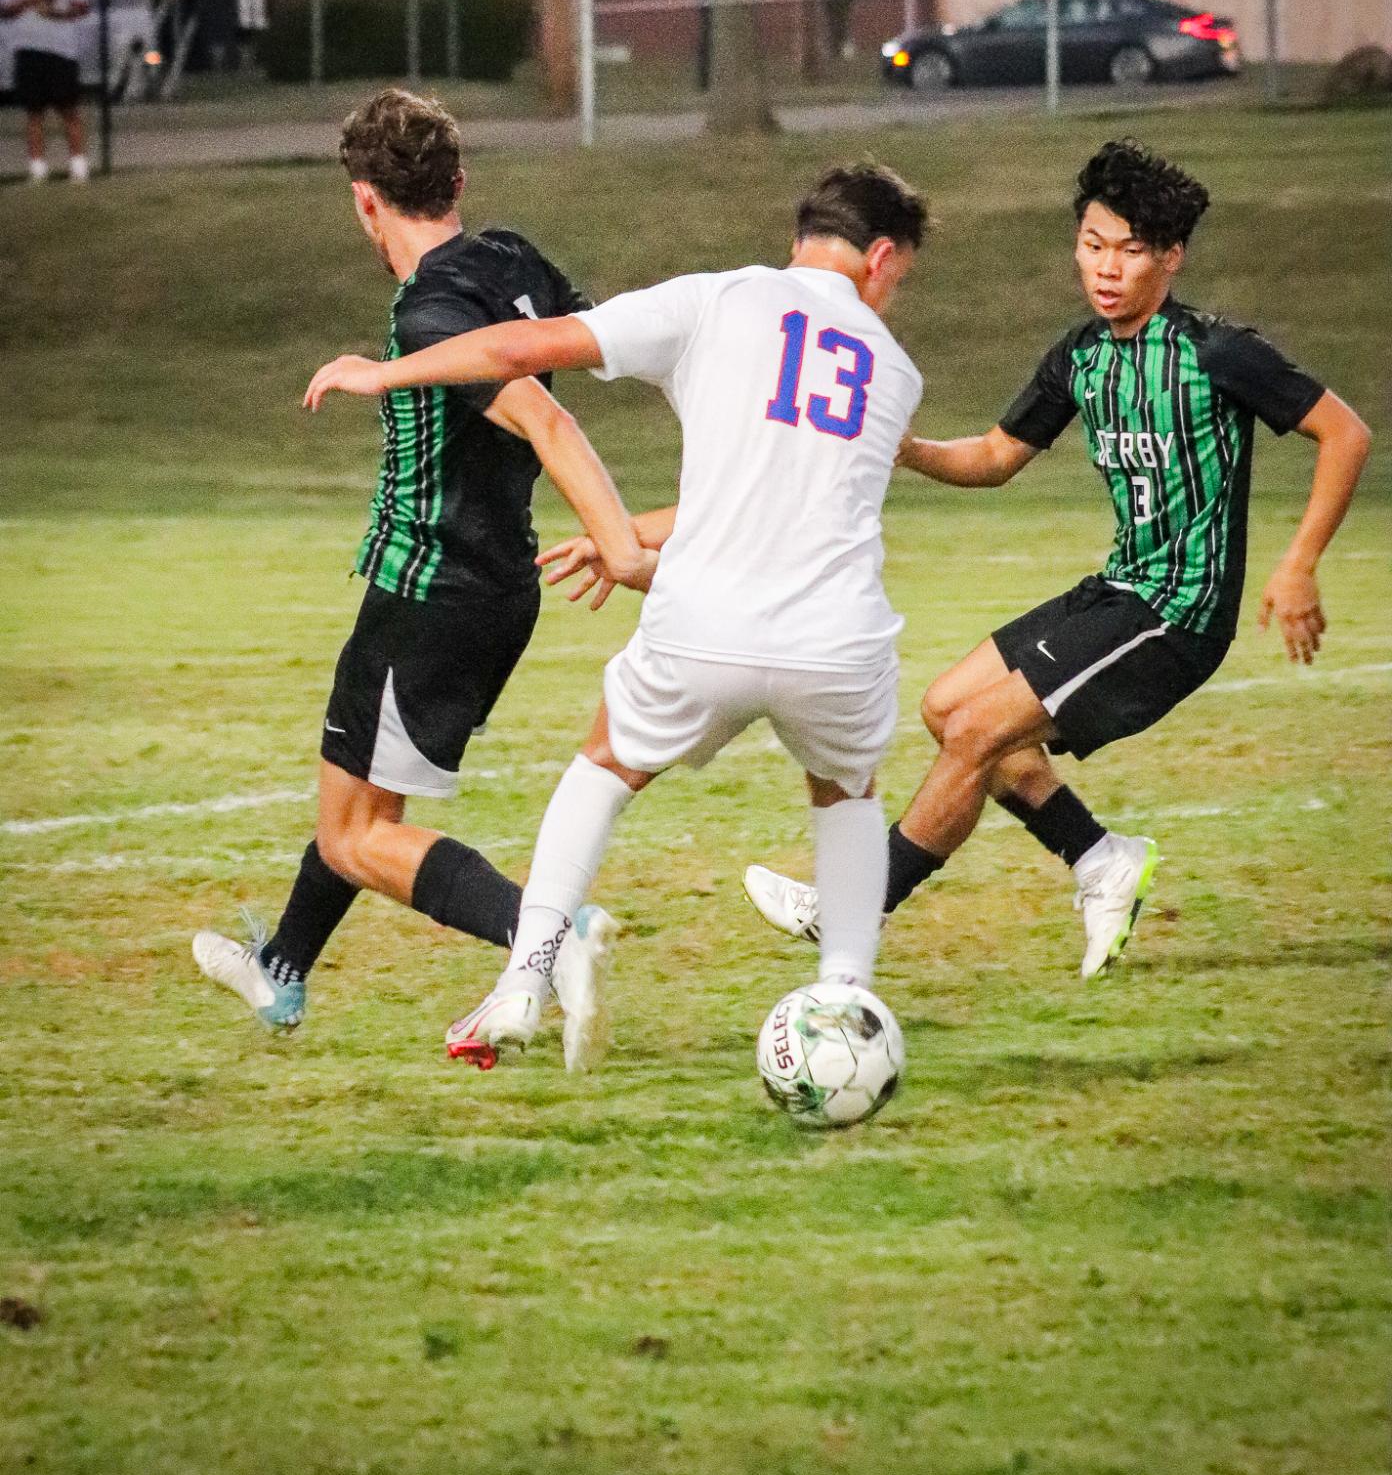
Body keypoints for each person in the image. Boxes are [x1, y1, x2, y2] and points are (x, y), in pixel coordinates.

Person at [305, 161, 930, 1064]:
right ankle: (845, 997)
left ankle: (524, 984)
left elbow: (514, 352)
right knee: (848, 794)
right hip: (836, 640)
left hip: (701, 624)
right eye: (897, 280)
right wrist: (632, 536)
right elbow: (800, 507)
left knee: (601, 770)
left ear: (801, 237)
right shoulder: (894, 372)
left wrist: (386, 371)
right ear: (879, 257)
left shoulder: (716, 300)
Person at [743, 138, 1372, 978]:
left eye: (1131, 250)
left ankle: (853, 909)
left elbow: (1346, 432)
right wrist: (902, 444)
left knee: (975, 732)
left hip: (1177, 613)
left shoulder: (1216, 354)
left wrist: (1298, 564)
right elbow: (998, 456)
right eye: (1093, 243)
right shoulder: (1079, 356)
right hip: (1117, 590)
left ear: (1171, 256)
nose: (1106, 268)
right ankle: (1099, 856)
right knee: (947, 707)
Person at [193, 88, 654, 1071]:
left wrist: (617, 540)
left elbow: (544, 418)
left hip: (429, 593)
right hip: (490, 592)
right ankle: (282, 967)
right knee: (357, 807)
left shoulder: (434, 308)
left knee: (359, 833)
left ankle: (548, 941)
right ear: (457, 181)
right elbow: (605, 340)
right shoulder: (513, 259)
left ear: (367, 201)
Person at [1, 0, 91, 183]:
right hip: (28, 49)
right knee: (34, 112)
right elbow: (4, 10)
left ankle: (78, 168)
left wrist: (59, 13)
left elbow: (83, 5)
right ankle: (38, 170)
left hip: (60, 49)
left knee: (69, 110)